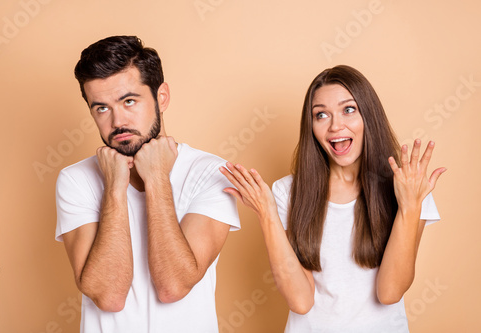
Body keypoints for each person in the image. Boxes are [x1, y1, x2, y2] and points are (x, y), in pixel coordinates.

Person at [220, 65, 446, 332]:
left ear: (368, 116)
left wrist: (409, 206)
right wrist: (267, 212)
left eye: (348, 109)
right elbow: (301, 301)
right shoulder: (287, 192)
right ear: (311, 126)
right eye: (321, 115)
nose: (335, 126)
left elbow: (390, 292)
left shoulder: (407, 186)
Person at [55, 35, 240, 333]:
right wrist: (115, 188)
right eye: (101, 108)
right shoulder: (77, 180)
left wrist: (156, 179)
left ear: (161, 97)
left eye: (129, 101)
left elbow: (174, 285)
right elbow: (108, 296)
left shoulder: (210, 173)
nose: (117, 121)